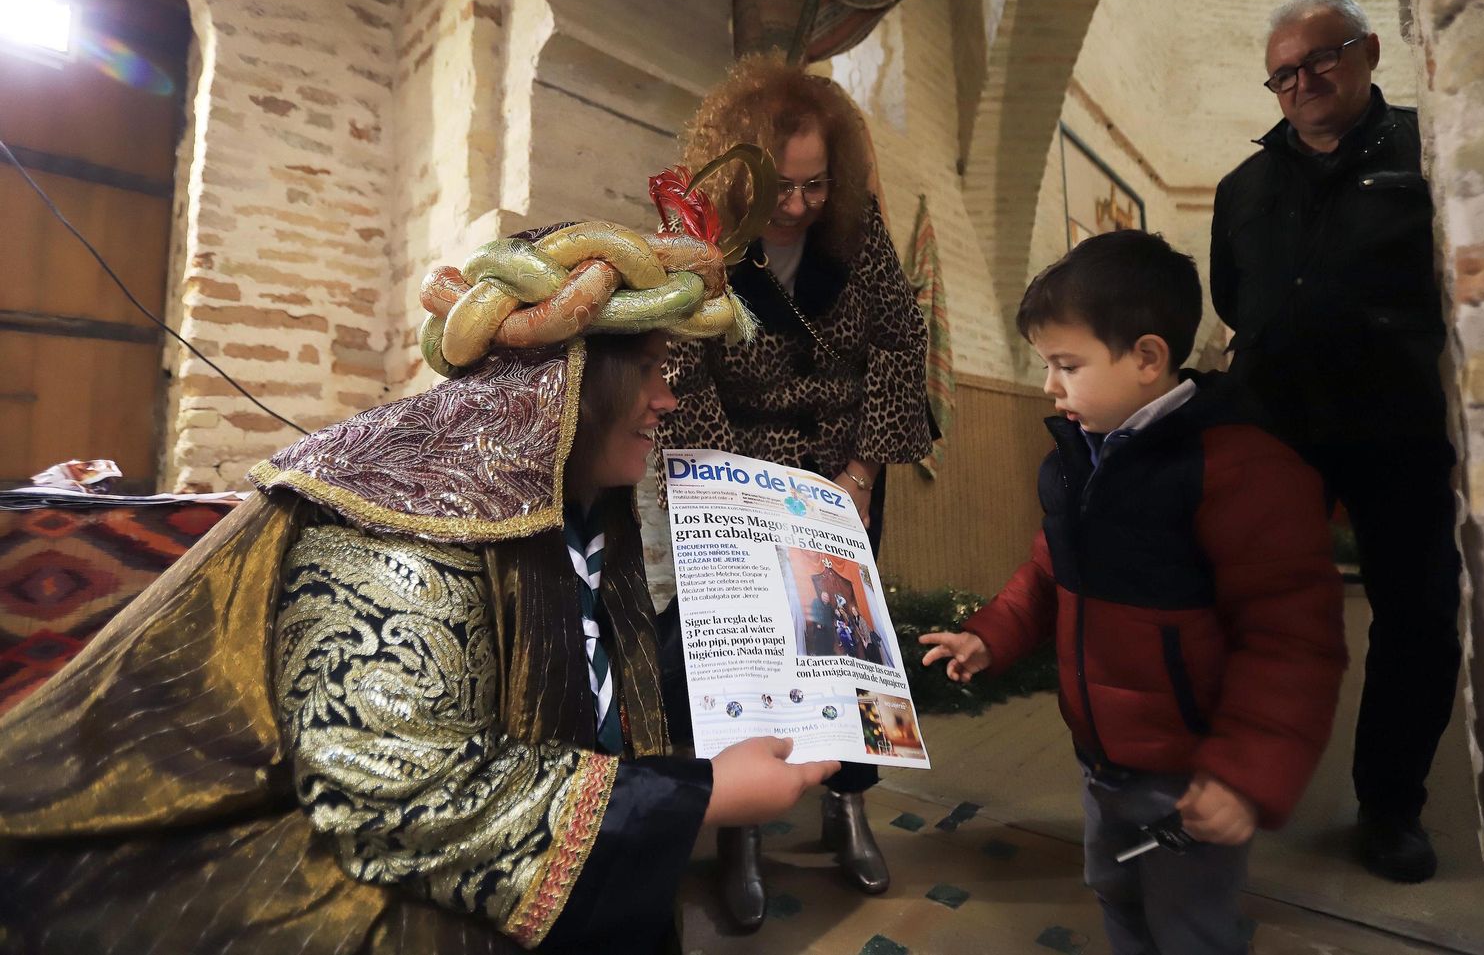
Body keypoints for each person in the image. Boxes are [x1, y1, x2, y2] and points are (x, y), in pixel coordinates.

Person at [0, 159, 839, 955]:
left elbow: (590, 686)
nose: (669, 397)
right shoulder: (407, 508)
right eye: (653, 369)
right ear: (570, 378)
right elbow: (392, 790)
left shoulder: (574, 502)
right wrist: (703, 799)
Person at [921, 231, 1346, 955]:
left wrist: (1244, 775)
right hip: (1102, 762)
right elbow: (1048, 573)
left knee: (1190, 928)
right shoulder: (1079, 460)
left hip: (1188, 772)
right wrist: (990, 632)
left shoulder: (1237, 471)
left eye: (1067, 365)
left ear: (1148, 358)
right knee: (1116, 893)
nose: (1051, 387)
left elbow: (1292, 639)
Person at [656, 53, 933, 928]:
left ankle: (847, 796)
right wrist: (733, 487)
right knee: (746, 653)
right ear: (740, 172)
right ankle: (744, 827)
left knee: (843, 641)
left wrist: (860, 472)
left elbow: (897, 339)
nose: (802, 205)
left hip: (842, 474)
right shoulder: (698, 243)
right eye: (784, 187)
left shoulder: (856, 229)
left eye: (816, 185)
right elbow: (680, 366)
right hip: (738, 474)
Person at [1209, 0, 1463, 882]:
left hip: (1400, 425)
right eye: (1283, 72)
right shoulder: (1243, 185)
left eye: (1320, 58)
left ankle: (1391, 804)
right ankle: (1233, 779)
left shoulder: (1433, 150)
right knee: (1246, 607)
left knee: (1417, 616)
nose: (1302, 80)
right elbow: (1232, 297)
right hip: (1277, 427)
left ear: (1369, 54)